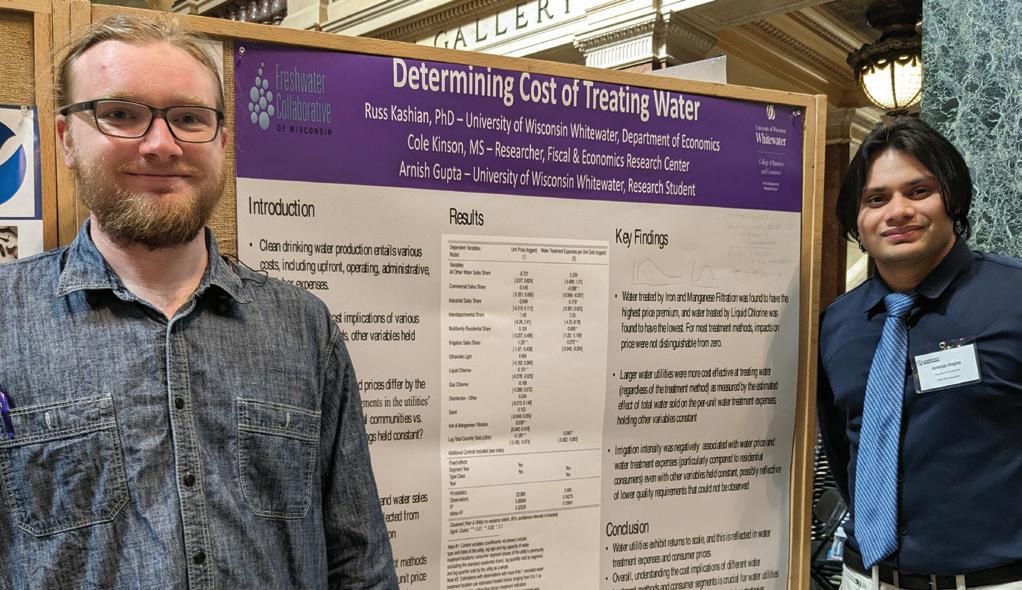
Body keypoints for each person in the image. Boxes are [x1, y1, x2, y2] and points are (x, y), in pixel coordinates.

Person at [0, 14, 397, 589]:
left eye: (189, 118)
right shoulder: (7, 321)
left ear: (222, 142)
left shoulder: (304, 328)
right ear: (66, 139)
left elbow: (360, 560)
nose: (162, 144)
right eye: (121, 114)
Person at [818, 117, 1022, 589]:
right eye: (876, 199)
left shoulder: (1013, 298)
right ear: (856, 220)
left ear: (953, 199)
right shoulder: (838, 324)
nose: (898, 211)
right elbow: (842, 446)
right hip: (863, 578)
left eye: (918, 191)